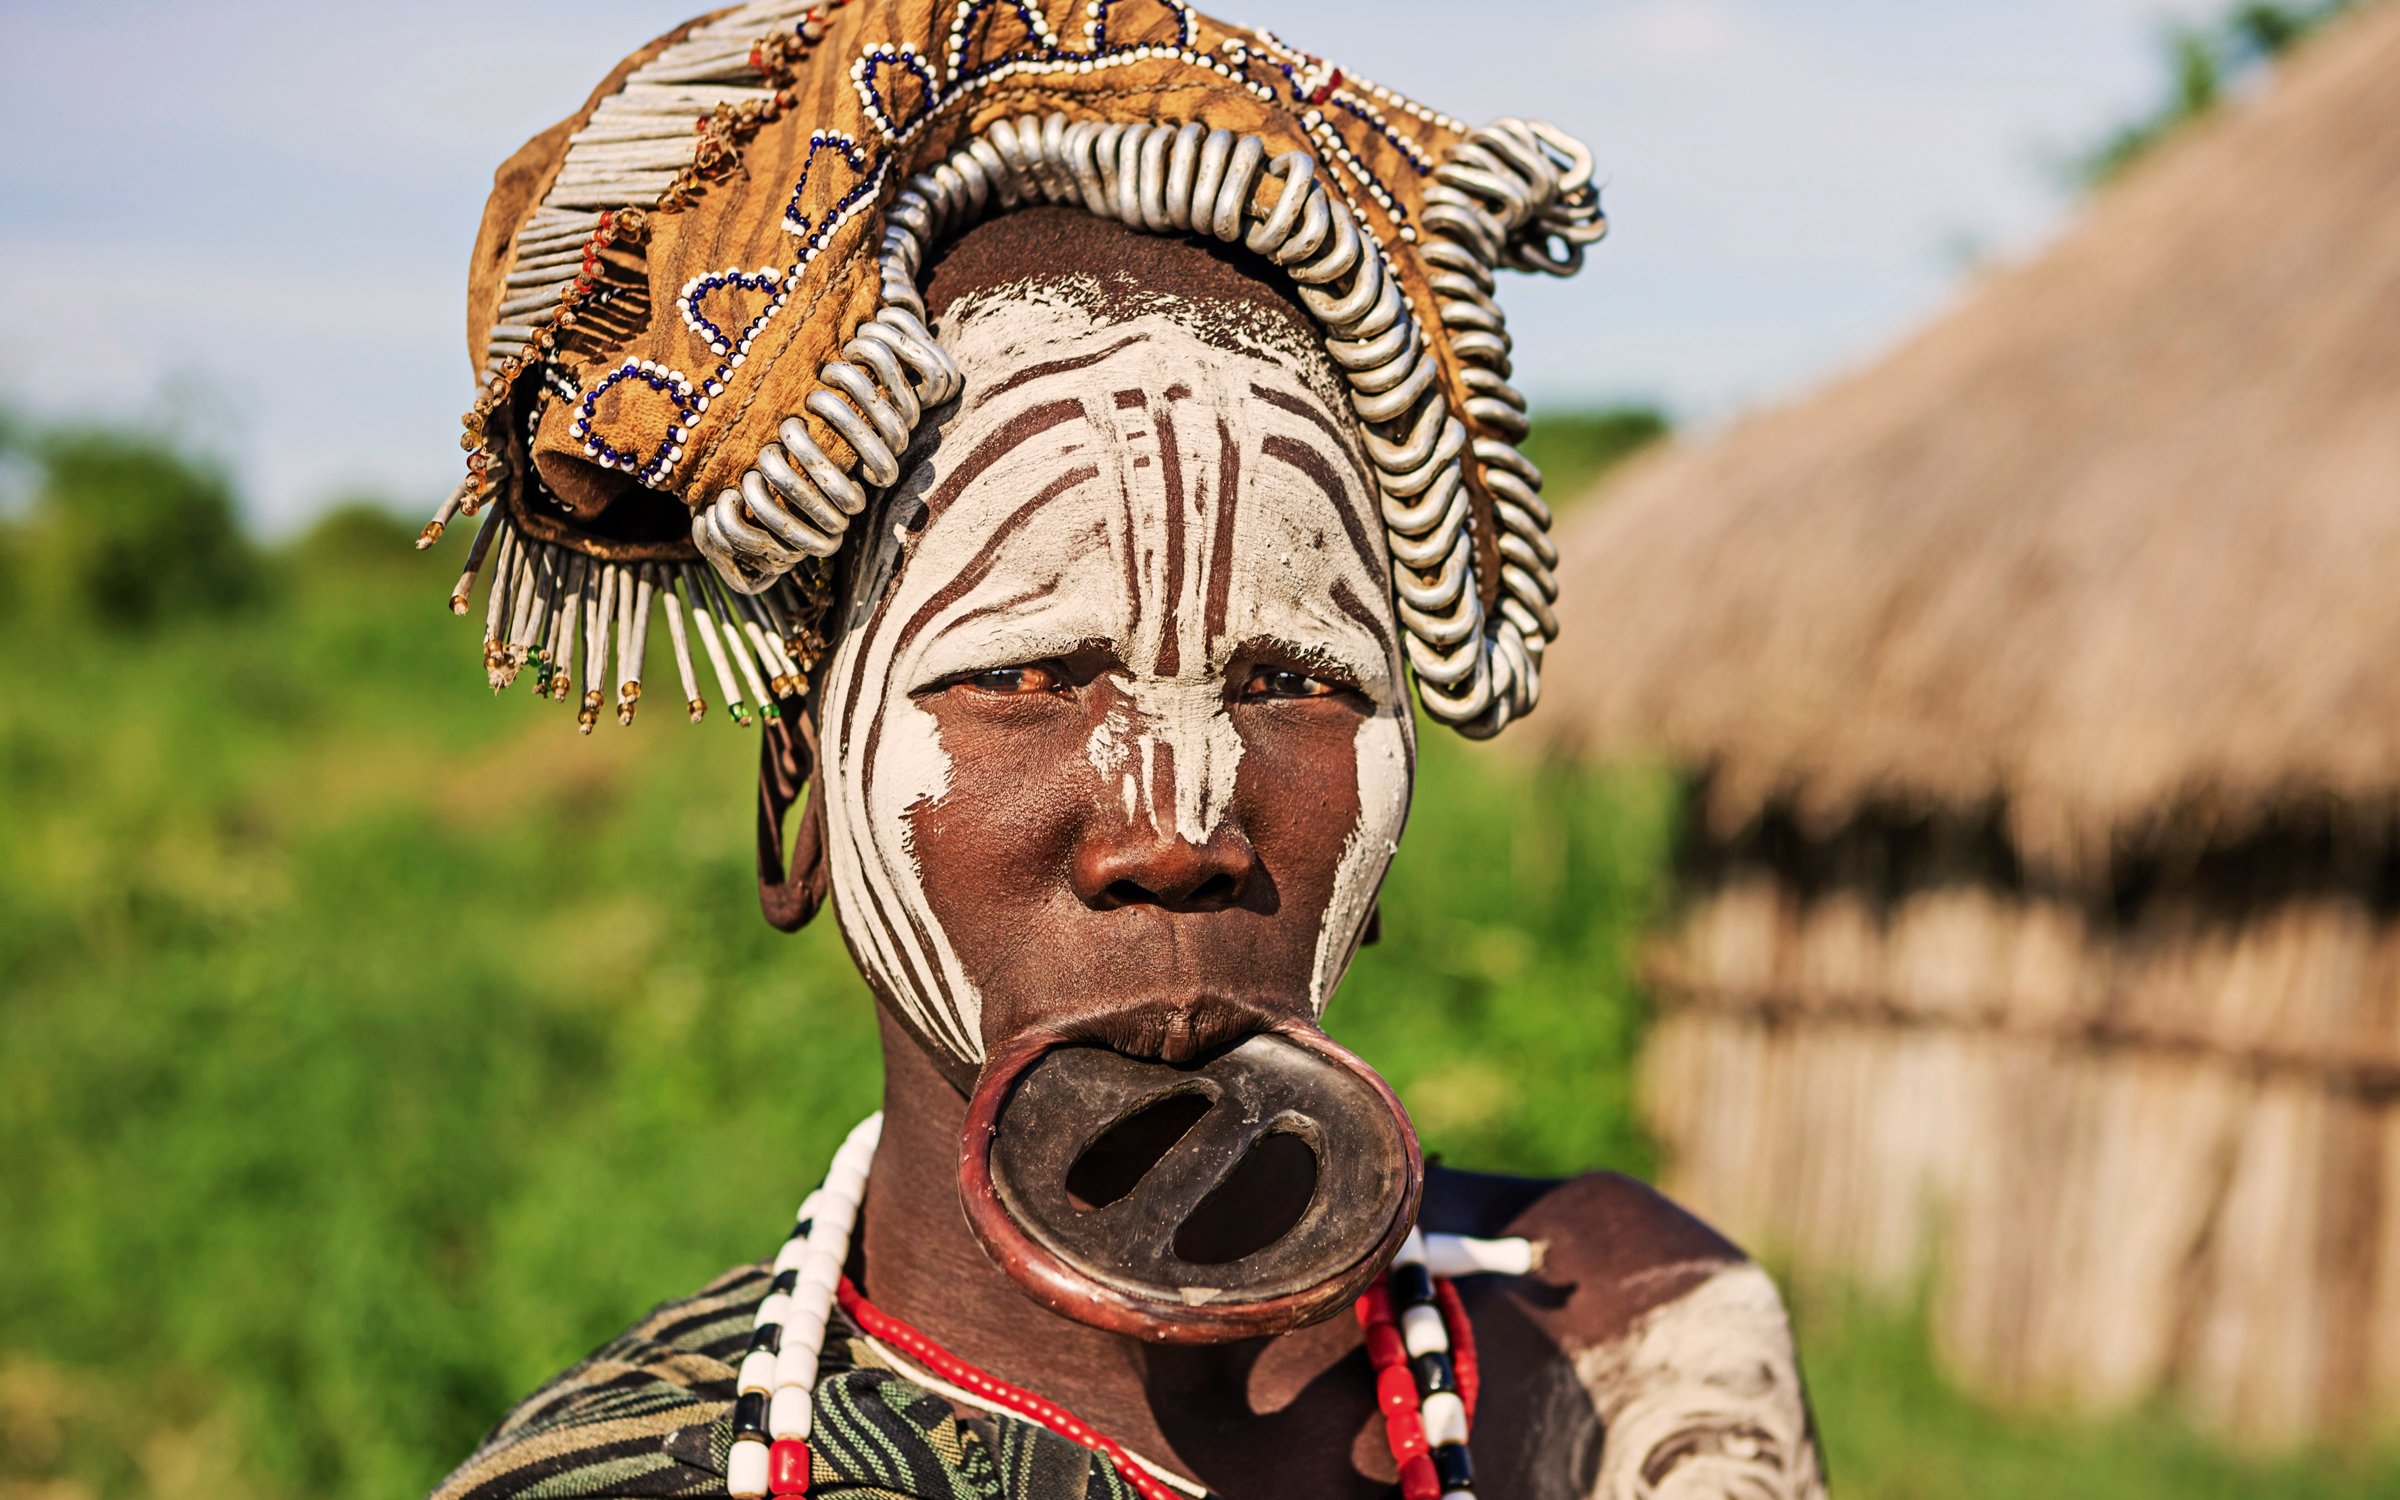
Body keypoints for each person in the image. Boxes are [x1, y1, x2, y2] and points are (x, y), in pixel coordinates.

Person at [422, 3, 1826, 1498]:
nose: (1181, 828)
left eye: (1294, 683)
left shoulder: (1633, 1349)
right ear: (800, 808)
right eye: (1025, 677)